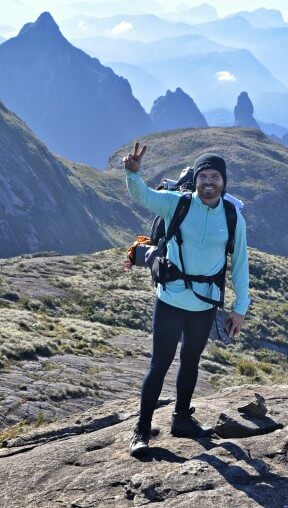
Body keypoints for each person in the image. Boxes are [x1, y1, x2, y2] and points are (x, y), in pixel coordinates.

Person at [123, 143, 250, 457]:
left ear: (224, 182)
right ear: (195, 179)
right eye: (203, 175)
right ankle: (141, 429)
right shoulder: (176, 204)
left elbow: (241, 264)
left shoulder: (233, 217)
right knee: (160, 365)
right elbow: (143, 196)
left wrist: (240, 308)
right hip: (170, 300)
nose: (209, 181)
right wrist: (133, 173)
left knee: (191, 362)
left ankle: (181, 420)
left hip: (205, 306)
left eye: (215, 177)